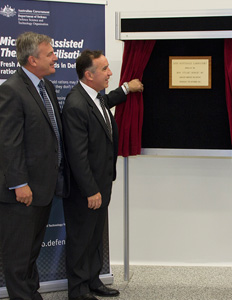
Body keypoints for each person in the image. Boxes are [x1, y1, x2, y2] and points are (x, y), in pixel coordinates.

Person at [62, 50, 143, 300]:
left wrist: (126, 89)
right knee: (81, 238)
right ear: (89, 75)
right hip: (86, 190)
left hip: (100, 185)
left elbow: (105, 104)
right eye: (105, 69)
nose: (110, 73)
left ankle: (93, 280)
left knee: (95, 236)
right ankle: (78, 290)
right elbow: (77, 155)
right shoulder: (76, 104)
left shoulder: (95, 97)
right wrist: (91, 190)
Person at [0, 32, 68, 300]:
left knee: (31, 253)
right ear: (32, 59)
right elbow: (9, 144)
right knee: (18, 257)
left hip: (43, 188)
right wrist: (19, 184)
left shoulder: (46, 86)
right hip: (22, 193)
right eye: (50, 53)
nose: (55, 57)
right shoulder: (11, 90)